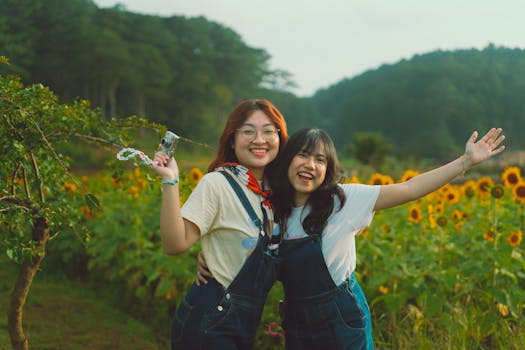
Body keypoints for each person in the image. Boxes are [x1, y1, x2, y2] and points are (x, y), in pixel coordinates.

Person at [267, 127, 505, 350]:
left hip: (340, 319)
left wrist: (465, 161)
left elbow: (410, 189)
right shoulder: (272, 212)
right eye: (303, 155)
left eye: (320, 160)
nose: (310, 165)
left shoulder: (342, 201)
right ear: (287, 159)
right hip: (297, 323)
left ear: (328, 169)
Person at [151, 98, 288, 349]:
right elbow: (175, 244)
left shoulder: (277, 194)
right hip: (209, 320)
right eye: (248, 131)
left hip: (246, 324)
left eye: (269, 131)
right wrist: (171, 181)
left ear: (280, 138)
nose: (260, 139)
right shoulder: (217, 184)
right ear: (232, 140)